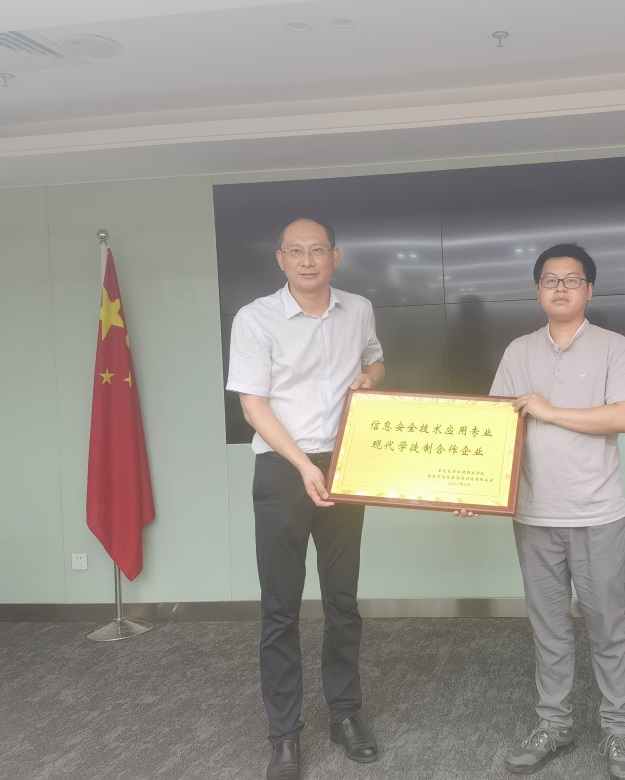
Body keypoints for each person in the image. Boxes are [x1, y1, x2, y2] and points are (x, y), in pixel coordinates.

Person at [226, 218, 385, 780]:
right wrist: (301, 466)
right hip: (281, 470)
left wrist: (369, 379)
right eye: (296, 251)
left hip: (344, 465)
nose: (308, 260)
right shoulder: (254, 318)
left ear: (335, 256)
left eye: (317, 250)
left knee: (343, 599)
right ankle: (284, 735)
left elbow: (375, 359)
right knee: (280, 607)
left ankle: (345, 714)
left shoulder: (359, 309)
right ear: (280, 259)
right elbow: (253, 406)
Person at [490, 243, 625, 779]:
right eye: (550, 280)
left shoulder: (614, 347)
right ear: (537, 290)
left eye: (571, 279)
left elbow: (624, 417)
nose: (560, 288)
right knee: (549, 630)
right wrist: (477, 490)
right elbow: (497, 428)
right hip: (534, 516)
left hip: (597, 513)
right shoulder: (518, 351)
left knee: (608, 627)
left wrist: (550, 411)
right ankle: (554, 724)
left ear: (589, 289)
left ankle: (619, 730)